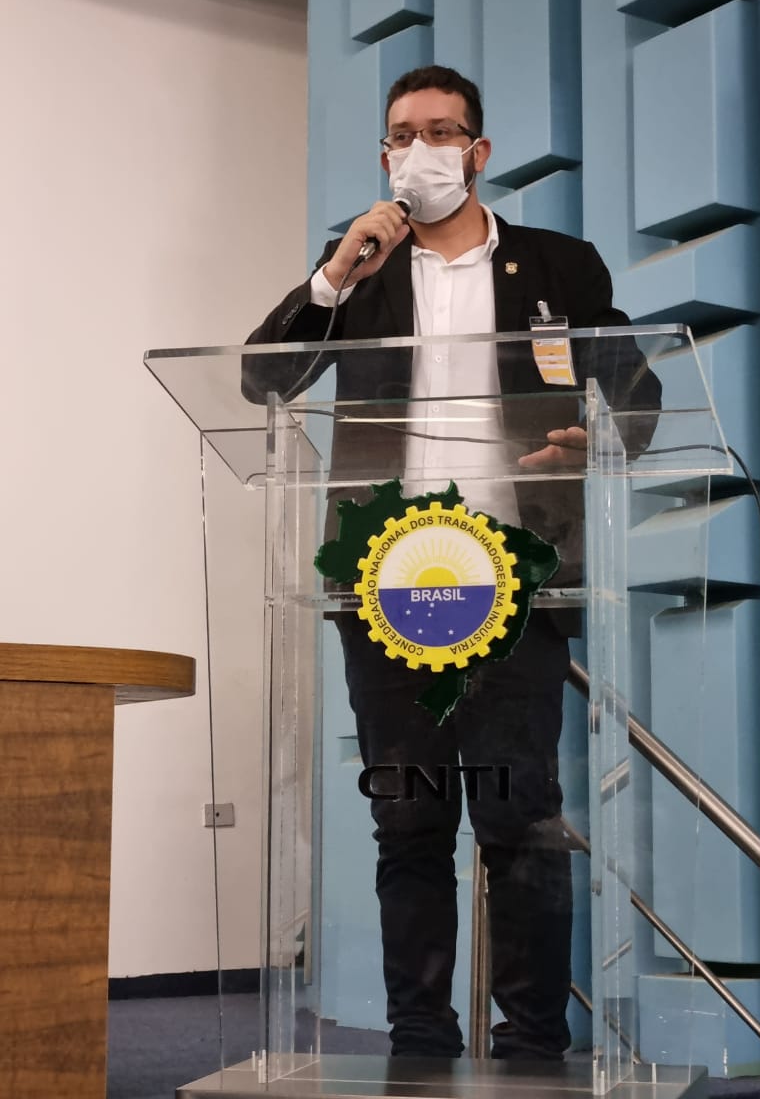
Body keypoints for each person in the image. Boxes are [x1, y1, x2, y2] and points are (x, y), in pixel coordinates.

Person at [246, 65, 661, 1061]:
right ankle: (421, 1043)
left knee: (521, 819)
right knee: (410, 824)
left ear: (478, 151)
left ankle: (533, 1046)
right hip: (385, 585)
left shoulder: (559, 264)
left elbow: (634, 389)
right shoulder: (357, 273)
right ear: (383, 153)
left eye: (440, 131)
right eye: (402, 134)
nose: (418, 149)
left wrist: (602, 437)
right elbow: (264, 379)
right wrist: (332, 275)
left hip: (517, 579)